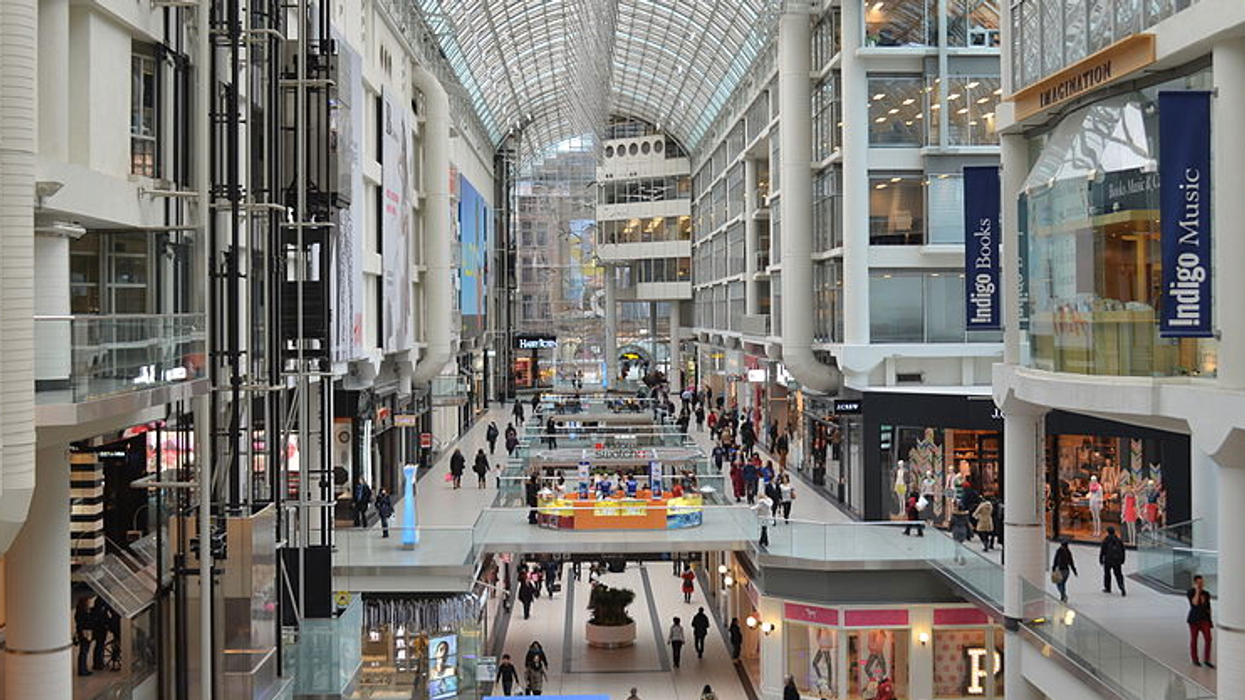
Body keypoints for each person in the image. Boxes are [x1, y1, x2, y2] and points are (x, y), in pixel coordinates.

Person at [1187, 574, 1214, 667]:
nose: (1201, 584)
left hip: (1204, 620)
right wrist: (1197, 591)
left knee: (1208, 639)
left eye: (1202, 582)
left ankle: (1207, 660)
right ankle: (1195, 659)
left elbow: (1208, 608)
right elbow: (1194, 603)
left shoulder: (1206, 594)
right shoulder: (1190, 592)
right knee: (1194, 640)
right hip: (1194, 620)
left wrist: (1210, 620)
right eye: (1199, 583)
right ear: (1195, 583)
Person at [1099, 525, 1127, 596]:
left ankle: (1108, 588)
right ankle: (1122, 586)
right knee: (1118, 574)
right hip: (1117, 560)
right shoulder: (1118, 540)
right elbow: (1123, 550)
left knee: (1107, 574)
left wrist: (1101, 559)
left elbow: (1102, 550)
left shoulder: (1106, 539)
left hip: (1108, 559)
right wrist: (1122, 559)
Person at [75, 596, 94, 676]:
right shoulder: (83, 612)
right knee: (84, 651)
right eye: (88, 602)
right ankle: (83, 670)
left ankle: (83, 669)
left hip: (82, 633)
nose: (89, 603)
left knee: (84, 652)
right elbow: (85, 623)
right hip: (85, 633)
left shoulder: (79, 611)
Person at [91, 596, 111, 671]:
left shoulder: (100, 602)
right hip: (100, 628)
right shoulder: (101, 603)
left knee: (99, 645)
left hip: (99, 628)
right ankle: (98, 663)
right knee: (100, 645)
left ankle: (99, 662)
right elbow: (102, 615)